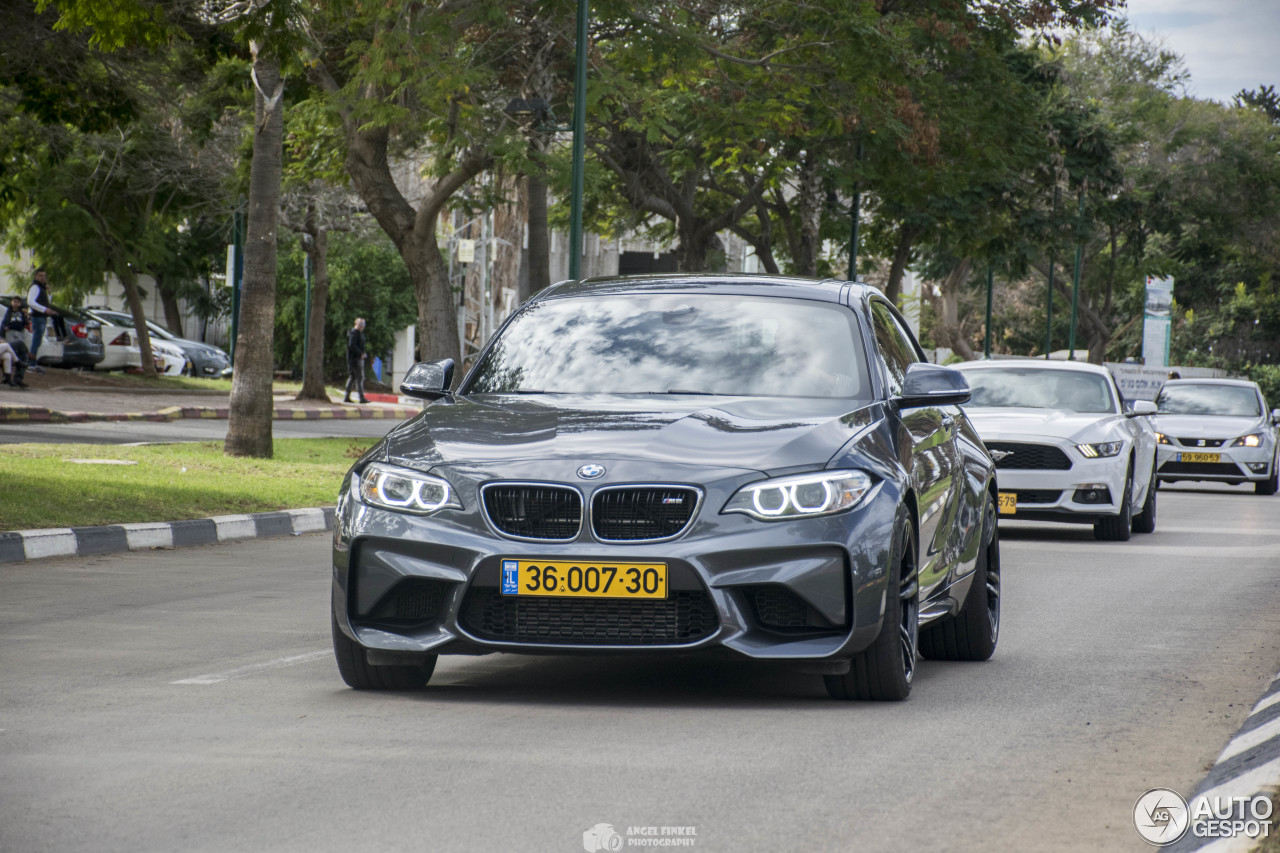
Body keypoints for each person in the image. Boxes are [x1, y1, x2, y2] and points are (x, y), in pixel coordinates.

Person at [26, 268, 58, 374]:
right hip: (37, 317)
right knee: (36, 341)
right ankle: (31, 364)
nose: (42, 278)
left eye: (44, 276)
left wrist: (49, 294)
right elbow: (30, 301)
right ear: (36, 276)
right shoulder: (35, 287)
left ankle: (33, 363)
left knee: (38, 341)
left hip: (42, 317)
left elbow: (45, 302)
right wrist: (45, 309)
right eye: (40, 276)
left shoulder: (42, 287)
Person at [1, 296, 30, 387]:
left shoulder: (21, 313)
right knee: (19, 346)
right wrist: (2, 337)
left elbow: (24, 324)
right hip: (7, 339)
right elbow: (4, 326)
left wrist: (26, 317)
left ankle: (11, 378)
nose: (16, 303)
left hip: (17, 335)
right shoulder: (8, 312)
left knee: (9, 355)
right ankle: (19, 363)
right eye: (14, 301)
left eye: (18, 302)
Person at [344, 317, 369, 404]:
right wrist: (360, 354)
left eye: (363, 324)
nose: (362, 326)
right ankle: (361, 398)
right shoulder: (354, 333)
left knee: (353, 377)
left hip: (358, 359)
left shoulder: (360, 334)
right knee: (359, 378)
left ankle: (346, 397)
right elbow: (351, 345)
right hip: (355, 360)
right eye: (360, 324)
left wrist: (363, 353)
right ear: (356, 324)